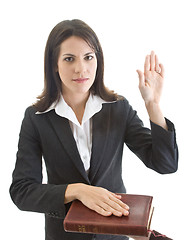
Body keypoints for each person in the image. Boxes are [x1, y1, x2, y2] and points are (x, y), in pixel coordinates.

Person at [9, 19, 178, 240]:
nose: (81, 68)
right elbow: (22, 191)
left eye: (88, 57)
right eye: (69, 59)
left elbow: (165, 164)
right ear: (54, 64)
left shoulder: (118, 108)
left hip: (114, 235)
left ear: (98, 60)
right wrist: (76, 190)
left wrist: (153, 106)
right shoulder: (36, 118)